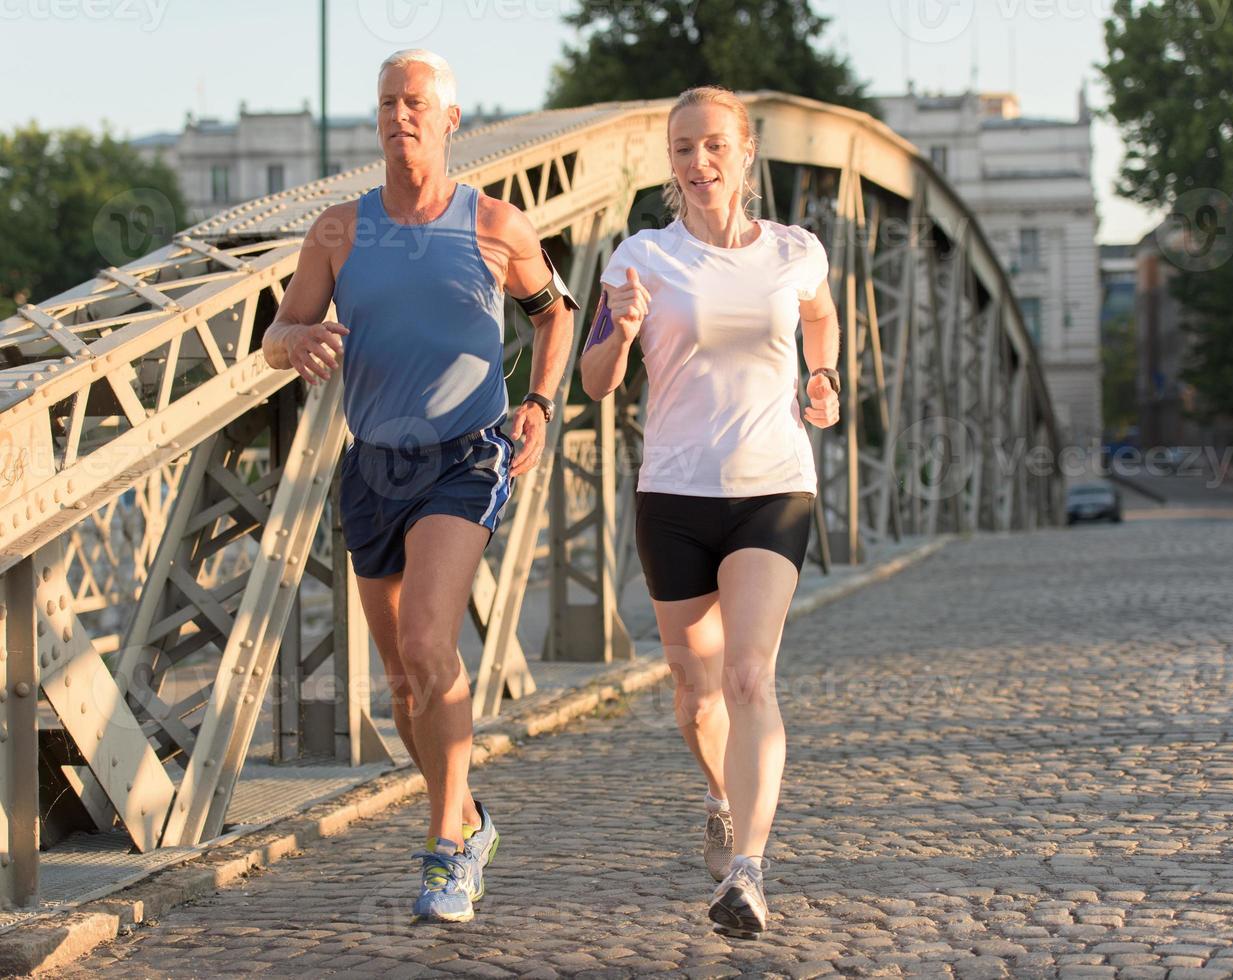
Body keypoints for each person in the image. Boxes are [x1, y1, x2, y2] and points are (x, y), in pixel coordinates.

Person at [262, 48, 575, 923]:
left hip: (464, 455)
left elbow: (556, 313)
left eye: (416, 102)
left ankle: (444, 854)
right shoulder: (337, 230)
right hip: (373, 465)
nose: (400, 115)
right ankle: (469, 818)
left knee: (434, 646)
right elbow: (277, 334)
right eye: (388, 102)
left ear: (449, 120)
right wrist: (296, 342)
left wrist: (541, 403)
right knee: (403, 682)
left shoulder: (495, 225)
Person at [579, 86, 841, 940]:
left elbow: (819, 314)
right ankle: (722, 796)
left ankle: (748, 872)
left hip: (772, 485)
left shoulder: (797, 249)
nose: (700, 164)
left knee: (748, 675)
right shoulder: (640, 257)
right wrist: (618, 332)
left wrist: (821, 373)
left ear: (746, 154)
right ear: (670, 161)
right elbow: (596, 382)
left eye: (715, 147)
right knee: (696, 695)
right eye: (684, 149)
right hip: (675, 493)